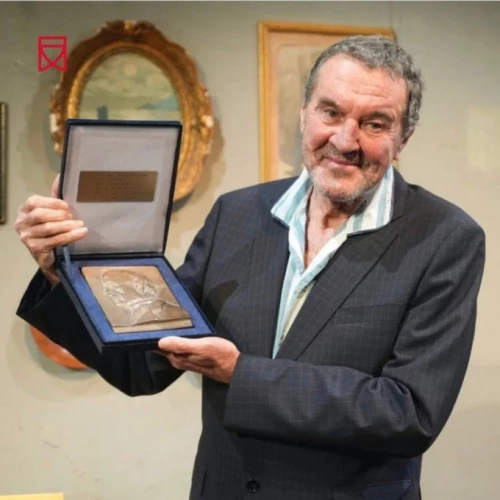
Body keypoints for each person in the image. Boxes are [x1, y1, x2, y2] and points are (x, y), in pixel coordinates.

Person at [15, 35, 485, 500]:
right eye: (330, 112)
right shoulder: (236, 215)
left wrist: (240, 374)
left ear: (403, 139)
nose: (345, 140)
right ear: (303, 114)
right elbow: (142, 365)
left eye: (375, 123)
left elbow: (408, 413)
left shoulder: (445, 238)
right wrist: (62, 270)